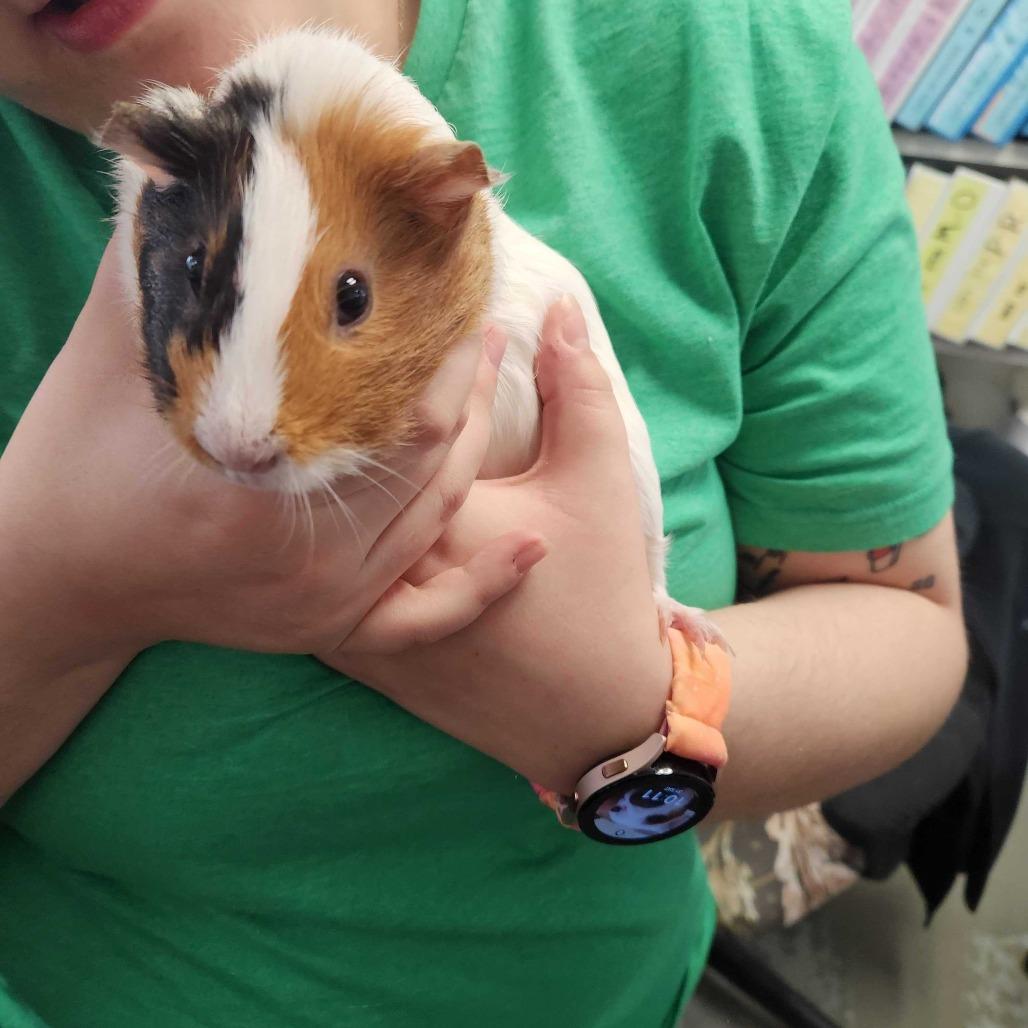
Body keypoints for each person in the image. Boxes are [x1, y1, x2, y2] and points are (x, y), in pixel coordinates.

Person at [0, 1, 968, 1025]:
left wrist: (622, 707)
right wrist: (53, 580)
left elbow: (906, 624)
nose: (245, 433)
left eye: (347, 299)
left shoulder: (728, 50)